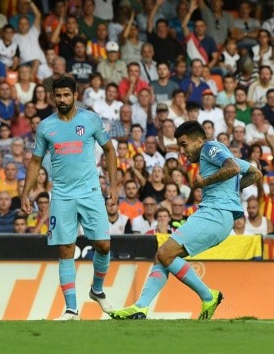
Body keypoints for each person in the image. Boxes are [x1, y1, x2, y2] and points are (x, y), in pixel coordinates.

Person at [110, 121, 262, 320]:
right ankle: (141, 307)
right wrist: (231, 191)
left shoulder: (210, 148)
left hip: (215, 213)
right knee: (162, 256)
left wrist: (205, 182)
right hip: (218, 215)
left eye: (184, 145)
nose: (182, 151)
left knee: (165, 254)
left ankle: (208, 296)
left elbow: (232, 168)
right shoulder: (220, 155)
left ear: (199, 141)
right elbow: (255, 173)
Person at [20, 76, 118, 320]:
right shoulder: (46, 126)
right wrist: (25, 193)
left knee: (103, 245)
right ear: (53, 97)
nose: (62, 99)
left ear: (75, 95)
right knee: (66, 249)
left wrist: (114, 186)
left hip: (90, 191)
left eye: (66, 95)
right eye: (58, 95)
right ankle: (71, 309)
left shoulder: (90, 119)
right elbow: (35, 161)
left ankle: (97, 290)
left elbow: (109, 150)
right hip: (62, 195)